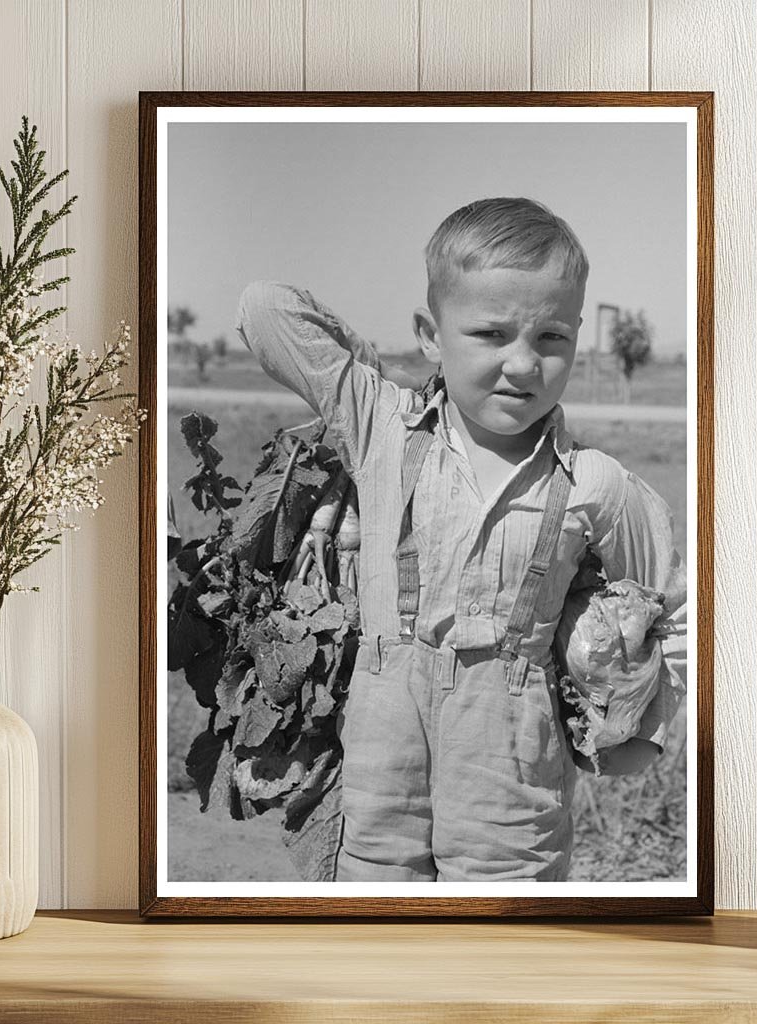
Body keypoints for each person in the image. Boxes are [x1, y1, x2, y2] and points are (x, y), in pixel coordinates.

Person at [235, 196, 686, 883]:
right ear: (430, 334)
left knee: (502, 926)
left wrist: (639, 723)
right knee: (377, 908)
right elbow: (264, 310)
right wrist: (369, 360)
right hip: (384, 730)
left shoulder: (598, 483)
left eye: (551, 338)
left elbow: (665, 603)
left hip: (510, 742)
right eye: (489, 334)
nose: (523, 364)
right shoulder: (380, 424)